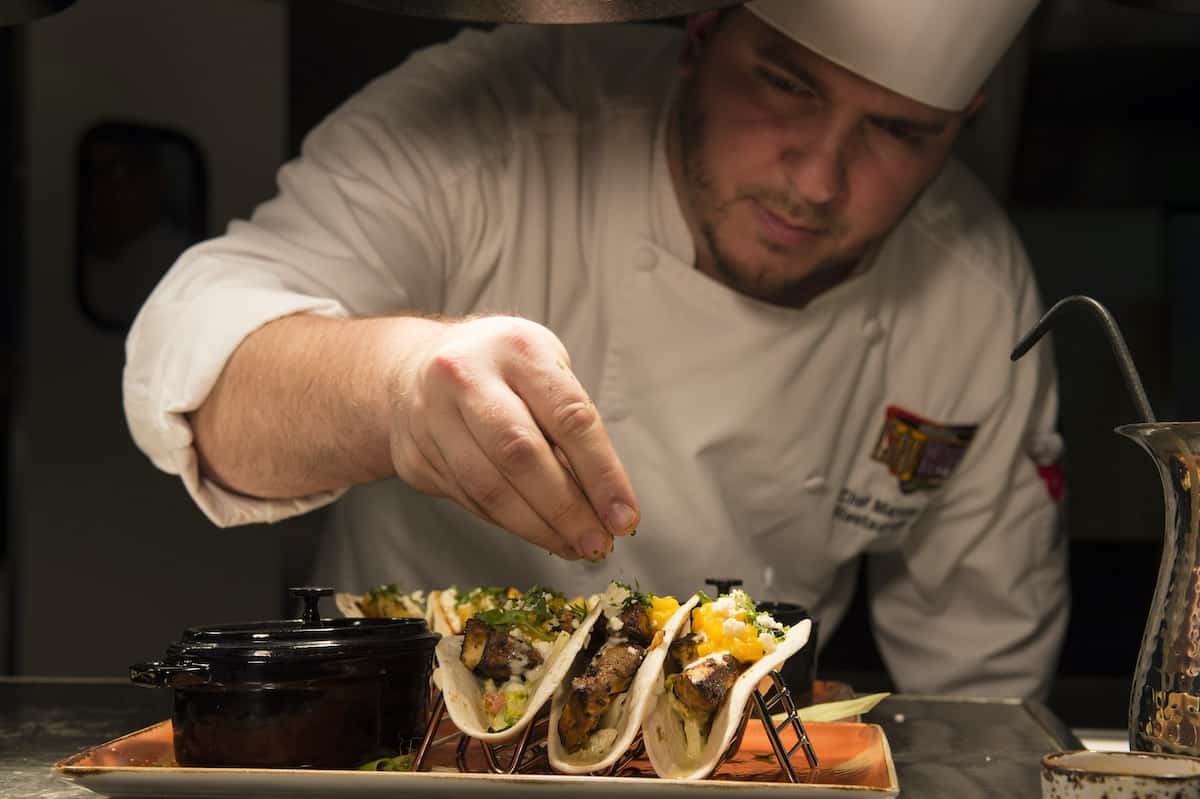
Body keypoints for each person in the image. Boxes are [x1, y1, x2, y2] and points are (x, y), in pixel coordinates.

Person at [123, 0, 1068, 699]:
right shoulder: (493, 120)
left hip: (738, 762)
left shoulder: (973, 298)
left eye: (900, 133)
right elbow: (202, 376)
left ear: (962, 124)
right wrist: (399, 385)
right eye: (783, 84)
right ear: (701, 35)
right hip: (410, 743)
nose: (818, 180)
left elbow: (981, 684)